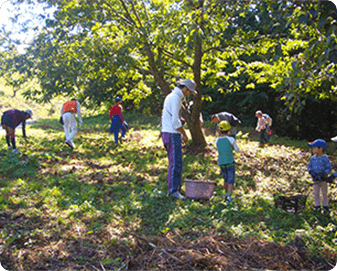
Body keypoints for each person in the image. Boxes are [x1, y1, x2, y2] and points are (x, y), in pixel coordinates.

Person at [161, 79, 197, 200]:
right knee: (175, 163)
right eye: (190, 92)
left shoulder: (172, 96)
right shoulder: (176, 98)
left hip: (168, 132)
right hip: (172, 133)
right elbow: (175, 122)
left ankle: (176, 187)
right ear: (185, 89)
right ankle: (173, 191)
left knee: (177, 162)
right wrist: (184, 134)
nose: (189, 95)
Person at [216, 121, 240, 202]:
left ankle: (226, 194)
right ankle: (229, 196)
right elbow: (237, 150)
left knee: (225, 179)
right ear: (229, 130)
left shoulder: (217, 140)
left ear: (219, 130)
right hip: (230, 161)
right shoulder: (231, 139)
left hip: (221, 162)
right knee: (231, 179)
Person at [307, 139, 332, 213]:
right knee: (316, 193)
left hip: (323, 179)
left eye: (314, 148)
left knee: (324, 193)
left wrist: (324, 173)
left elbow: (329, 168)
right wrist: (312, 173)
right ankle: (317, 205)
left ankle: (325, 206)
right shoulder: (313, 158)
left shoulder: (325, 158)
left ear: (320, 149)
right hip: (315, 179)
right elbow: (309, 167)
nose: (313, 149)